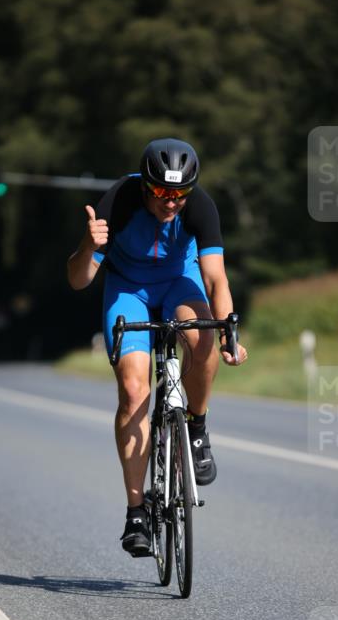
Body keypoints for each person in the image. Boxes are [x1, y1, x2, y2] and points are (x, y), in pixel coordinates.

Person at [67, 138, 247, 556]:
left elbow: (216, 278)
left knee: (202, 336)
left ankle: (196, 427)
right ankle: (136, 513)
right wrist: (88, 246)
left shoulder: (200, 206)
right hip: (128, 289)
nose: (172, 202)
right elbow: (78, 280)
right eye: (163, 192)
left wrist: (229, 333)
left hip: (179, 281)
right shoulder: (119, 201)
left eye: (180, 193)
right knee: (134, 391)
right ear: (146, 186)